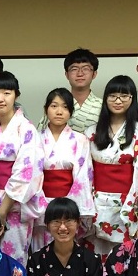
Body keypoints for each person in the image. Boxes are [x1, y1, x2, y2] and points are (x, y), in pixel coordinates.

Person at [85, 75, 138, 257]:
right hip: (95, 201)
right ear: (106, 98)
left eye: (124, 96)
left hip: (126, 203)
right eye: (113, 96)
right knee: (93, 254)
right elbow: (83, 172)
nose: (118, 101)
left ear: (132, 99)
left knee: (121, 256)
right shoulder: (91, 132)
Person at [0, 71, 44, 265]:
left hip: (15, 205)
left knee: (13, 259)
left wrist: (2, 211)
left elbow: (26, 170)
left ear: (16, 95)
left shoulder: (26, 129)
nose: (0, 99)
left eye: (6, 93)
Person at [32, 88, 94, 252]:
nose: (59, 111)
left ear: (71, 112)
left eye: (65, 107)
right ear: (46, 109)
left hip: (70, 203)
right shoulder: (34, 138)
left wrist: (69, 207)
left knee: (68, 249)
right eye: (54, 106)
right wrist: (41, 203)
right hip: (41, 203)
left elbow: (83, 177)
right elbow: (30, 174)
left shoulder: (81, 140)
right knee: (41, 252)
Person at [64, 48, 102, 134]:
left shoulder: (103, 106)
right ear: (66, 74)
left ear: (94, 74)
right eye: (74, 69)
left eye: (86, 69)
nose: (80, 74)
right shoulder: (57, 105)